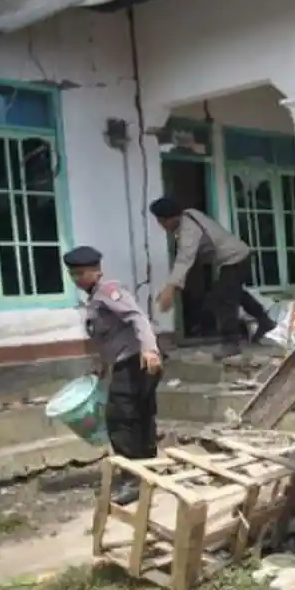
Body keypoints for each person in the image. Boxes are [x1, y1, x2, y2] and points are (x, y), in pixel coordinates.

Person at [65, 246, 163, 504]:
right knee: (139, 417)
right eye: (73, 274)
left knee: (120, 420)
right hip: (127, 362)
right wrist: (102, 363)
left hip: (136, 362)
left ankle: (133, 479)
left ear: (97, 270)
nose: (77, 278)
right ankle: (147, 471)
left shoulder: (108, 292)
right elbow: (108, 336)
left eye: (81, 273)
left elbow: (137, 318)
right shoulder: (94, 298)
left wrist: (150, 350)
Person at [149, 198, 276, 358]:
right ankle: (265, 321)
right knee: (234, 293)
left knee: (223, 298)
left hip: (235, 258)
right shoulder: (189, 214)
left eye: (161, 221)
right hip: (236, 257)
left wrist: (170, 288)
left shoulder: (189, 231)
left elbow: (184, 259)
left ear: (170, 218)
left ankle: (230, 344)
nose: (161, 225)